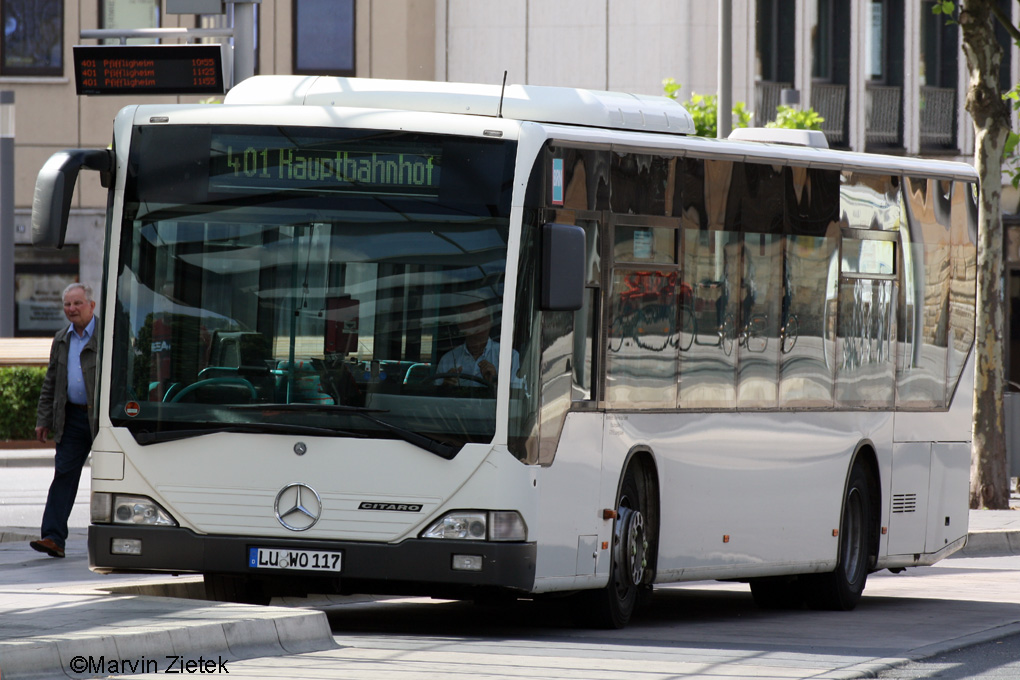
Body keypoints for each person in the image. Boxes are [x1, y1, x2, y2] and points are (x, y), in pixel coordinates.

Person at [30, 283, 99, 559]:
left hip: (102, 420)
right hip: (71, 419)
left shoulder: (109, 336)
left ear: (91, 305)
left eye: (77, 303)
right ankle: (53, 537)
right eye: (67, 304)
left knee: (114, 476)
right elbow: (51, 383)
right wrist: (43, 419)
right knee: (63, 476)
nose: (71, 309)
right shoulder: (61, 339)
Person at [435, 301, 521, 388]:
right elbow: (435, 399)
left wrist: (495, 382)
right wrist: (445, 388)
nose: (479, 322)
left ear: (491, 322)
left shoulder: (510, 357)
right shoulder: (447, 360)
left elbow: (517, 396)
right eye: (472, 317)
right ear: (461, 325)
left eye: (483, 316)